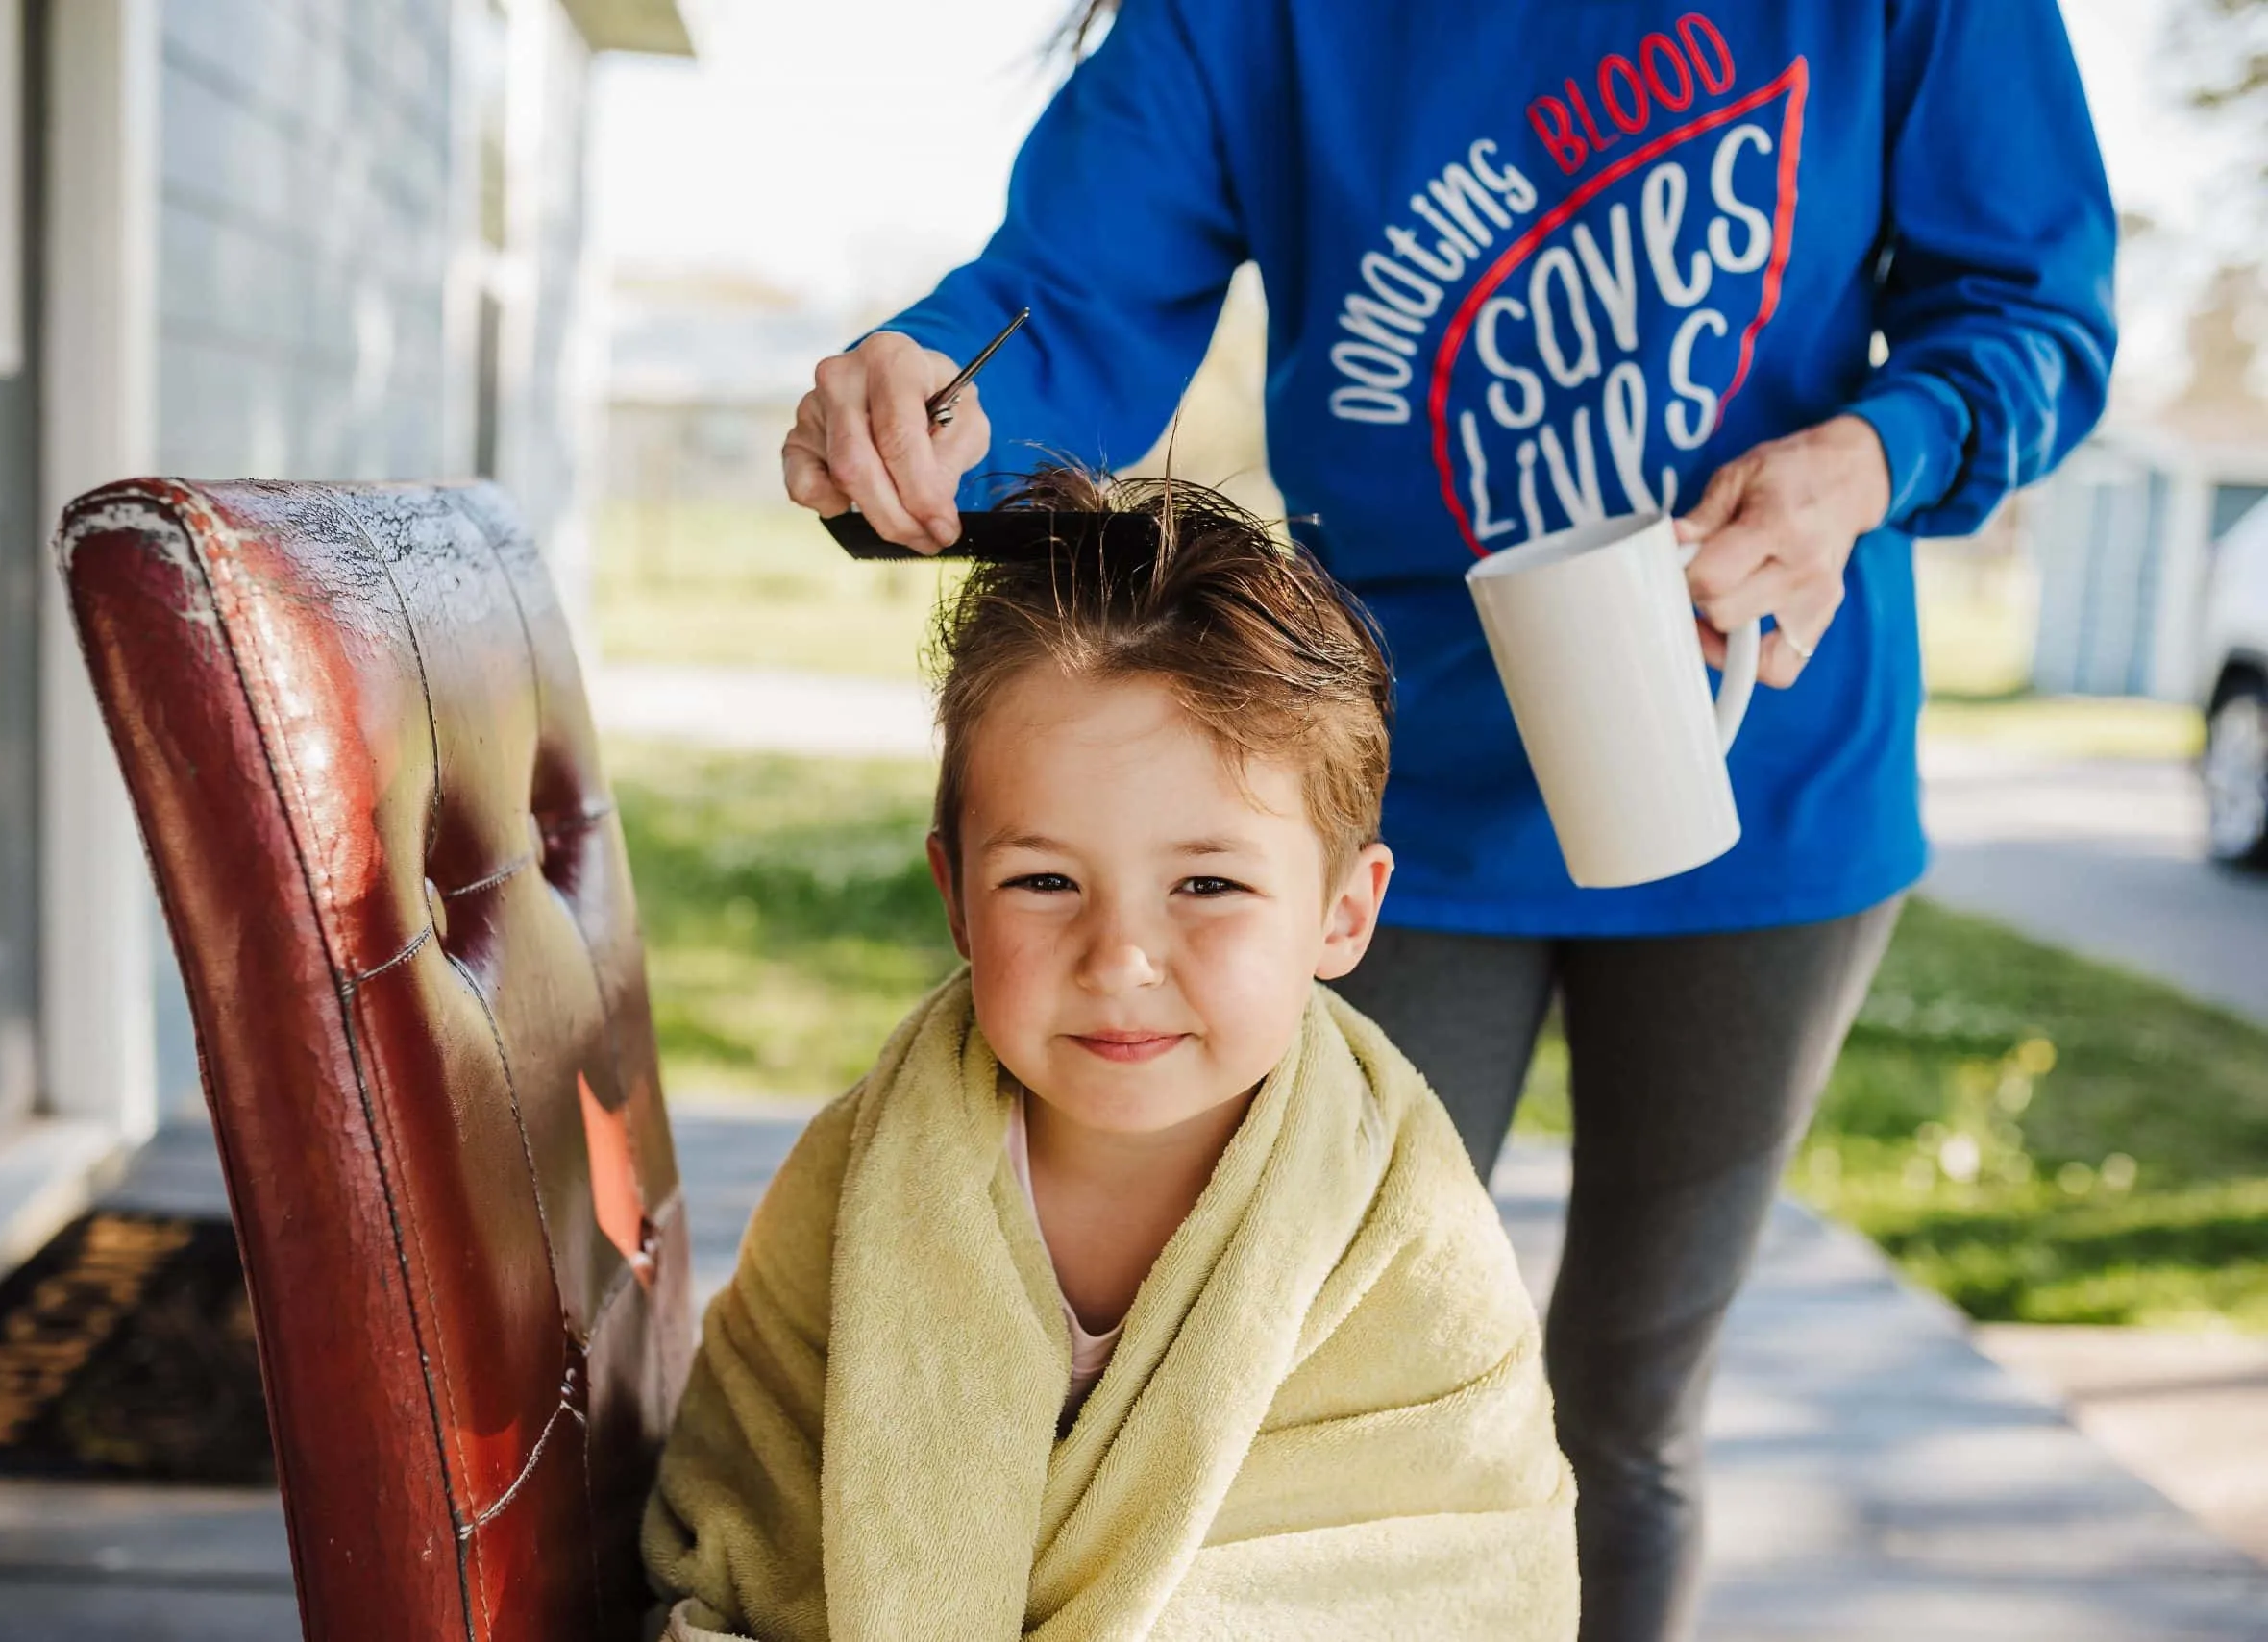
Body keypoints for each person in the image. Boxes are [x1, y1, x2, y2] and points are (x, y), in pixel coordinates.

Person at [777, 5, 2117, 1638]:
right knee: (1268, 1370)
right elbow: (1063, 302)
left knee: (1628, 1402)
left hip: (1758, 769)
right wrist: (935, 392)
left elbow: (2035, 309)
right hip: (1384, 802)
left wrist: (1870, 456)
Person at [643, 472, 1580, 1641]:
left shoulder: (1404, 1230)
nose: (1121, 955)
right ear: (956, 896)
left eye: (1208, 883)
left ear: (1344, 910)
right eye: (1043, 880)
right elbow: (740, 1525)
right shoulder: (856, 1178)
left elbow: (1457, 1570)